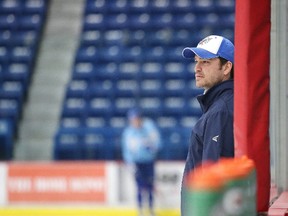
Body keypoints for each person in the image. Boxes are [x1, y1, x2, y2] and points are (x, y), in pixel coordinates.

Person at [181, 35, 235, 215]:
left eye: (205, 62)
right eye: (197, 61)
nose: (197, 68)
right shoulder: (218, 108)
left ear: (227, 67)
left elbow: (213, 179)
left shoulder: (221, 111)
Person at [121, 108, 162, 216]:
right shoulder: (128, 133)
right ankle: (140, 210)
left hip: (149, 161)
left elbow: (157, 141)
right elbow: (127, 150)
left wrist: (152, 147)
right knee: (139, 187)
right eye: (133, 120)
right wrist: (130, 164)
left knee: (150, 185)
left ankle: (151, 209)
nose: (135, 122)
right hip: (137, 163)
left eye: (137, 119)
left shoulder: (149, 127)